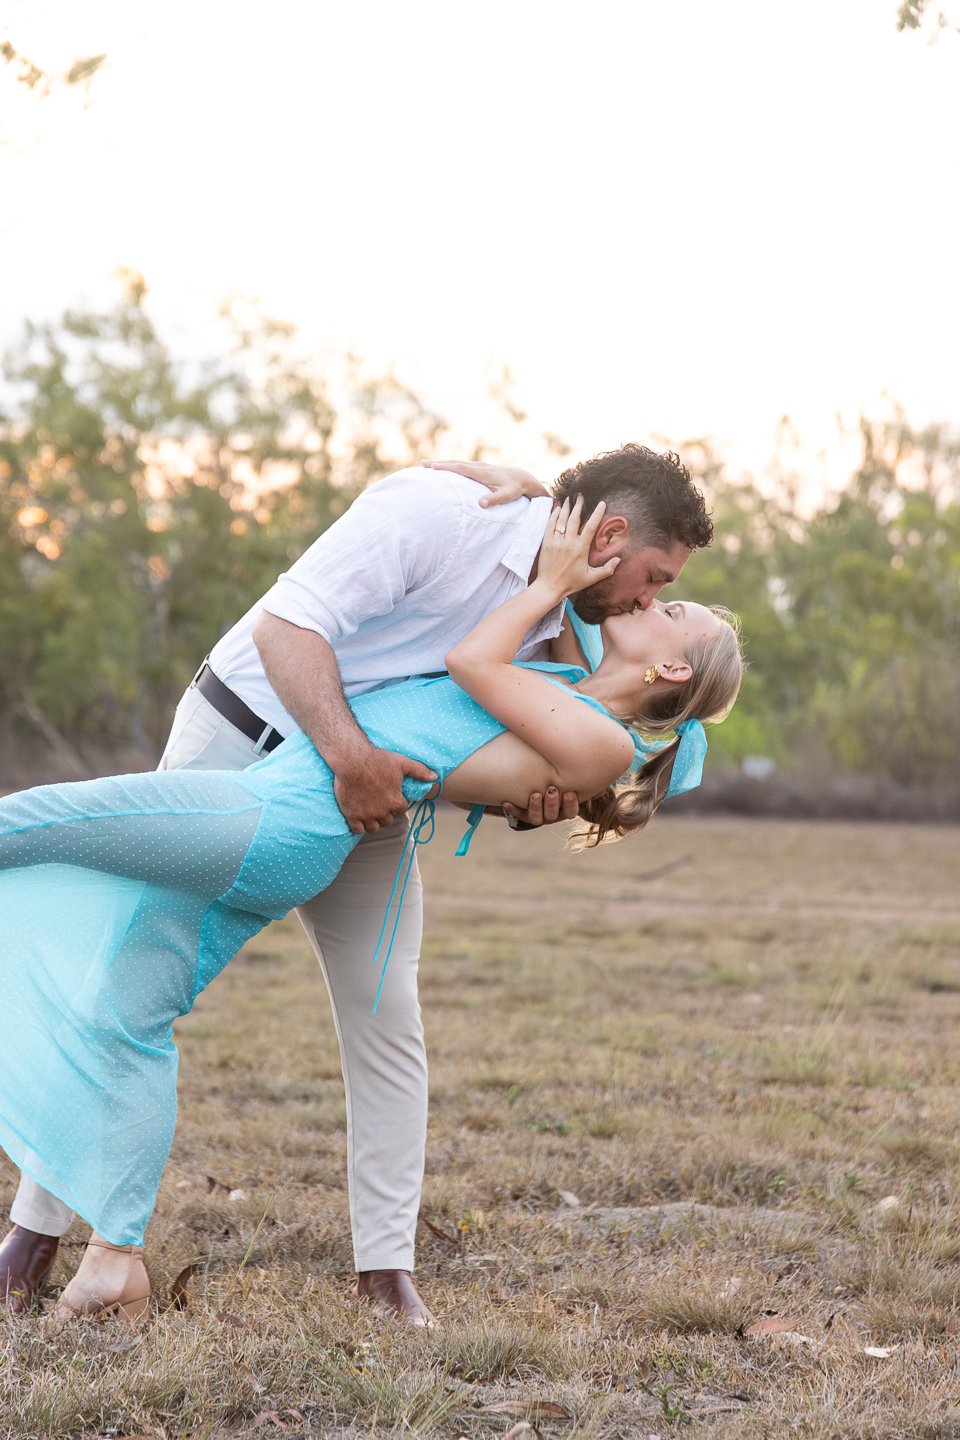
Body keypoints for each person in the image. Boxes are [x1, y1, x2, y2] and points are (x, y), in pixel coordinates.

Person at [0, 444, 715, 1322]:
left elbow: (559, 733)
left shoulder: (574, 614)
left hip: (366, 792)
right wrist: (352, 762)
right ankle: (34, 1235)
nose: (646, 599)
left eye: (660, 596)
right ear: (609, 535)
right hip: (257, 741)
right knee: (131, 983)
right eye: (655, 578)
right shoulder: (441, 514)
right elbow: (283, 629)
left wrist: (536, 801)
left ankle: (386, 1270)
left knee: (385, 1010)